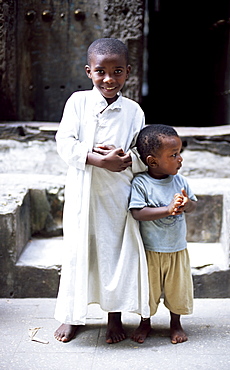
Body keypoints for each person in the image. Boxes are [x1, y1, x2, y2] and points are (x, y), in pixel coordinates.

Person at [54, 38, 150, 344]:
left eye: (117, 71)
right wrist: (97, 159)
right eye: (101, 72)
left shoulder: (133, 110)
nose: (109, 79)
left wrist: (122, 160)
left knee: (114, 254)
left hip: (117, 194)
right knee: (77, 253)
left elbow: (141, 151)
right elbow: (65, 143)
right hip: (83, 192)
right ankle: (72, 316)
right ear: (88, 71)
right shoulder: (78, 102)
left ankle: (114, 317)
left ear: (128, 72)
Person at [129, 124, 197, 344]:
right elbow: (138, 212)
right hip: (150, 250)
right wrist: (167, 209)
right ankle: (145, 323)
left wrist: (186, 204)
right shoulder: (141, 183)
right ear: (152, 161)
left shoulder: (180, 181)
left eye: (179, 154)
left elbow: (194, 204)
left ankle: (175, 324)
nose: (180, 159)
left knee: (177, 290)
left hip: (176, 249)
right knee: (148, 291)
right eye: (174, 155)